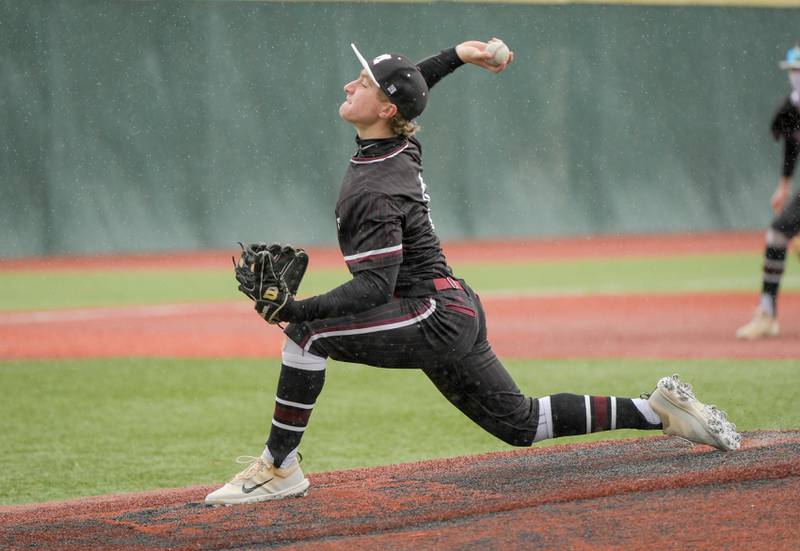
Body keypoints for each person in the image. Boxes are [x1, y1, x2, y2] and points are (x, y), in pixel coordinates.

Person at [205, 40, 741, 506]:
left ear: (386, 107)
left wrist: (292, 311)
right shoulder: (398, 143)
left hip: (430, 314)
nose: (350, 83)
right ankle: (656, 411)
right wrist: (457, 57)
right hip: (452, 305)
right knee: (521, 424)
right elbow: (413, 84)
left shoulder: (377, 184)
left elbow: (375, 287)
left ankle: (279, 468)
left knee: (307, 336)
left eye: (363, 81)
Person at [736, 45, 800, 339]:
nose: (795, 77)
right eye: (792, 71)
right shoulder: (790, 108)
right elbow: (792, 143)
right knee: (777, 235)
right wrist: (784, 185)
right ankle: (767, 314)